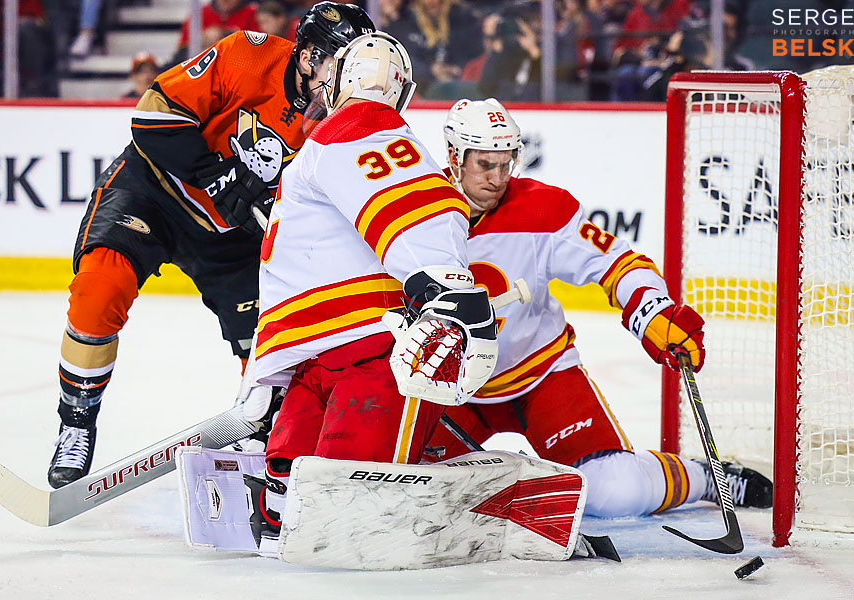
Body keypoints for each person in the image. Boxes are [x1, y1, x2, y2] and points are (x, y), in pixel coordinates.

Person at [47, 2, 376, 489]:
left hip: (233, 238)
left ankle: (265, 446)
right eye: (341, 67)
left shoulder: (337, 121)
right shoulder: (248, 54)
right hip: (154, 193)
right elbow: (153, 115)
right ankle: (76, 422)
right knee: (100, 288)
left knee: (273, 350)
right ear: (309, 58)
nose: (350, 82)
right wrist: (215, 177)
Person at [423, 98, 773, 518]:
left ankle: (702, 477)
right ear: (453, 157)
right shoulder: (417, 213)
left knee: (614, 492)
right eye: (485, 164)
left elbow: (614, 261)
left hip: (543, 377)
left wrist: (652, 310)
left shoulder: (543, 209)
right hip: (449, 387)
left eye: (506, 163)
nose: (498, 178)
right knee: (419, 488)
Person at [251, 31, 498, 539]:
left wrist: (448, 290)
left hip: (372, 349)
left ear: (341, 78)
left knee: (336, 493)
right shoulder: (328, 142)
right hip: (322, 356)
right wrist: (264, 374)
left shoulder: (358, 125)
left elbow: (414, 207)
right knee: (298, 485)